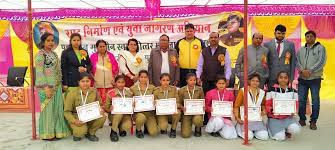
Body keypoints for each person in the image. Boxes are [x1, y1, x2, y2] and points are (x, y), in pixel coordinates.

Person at [35, 32, 71, 140]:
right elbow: (39, 72)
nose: (51, 42)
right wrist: (46, 87)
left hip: (56, 86)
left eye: (52, 40)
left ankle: (57, 132)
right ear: (43, 42)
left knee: (57, 110)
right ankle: (47, 134)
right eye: (48, 40)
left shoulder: (54, 54)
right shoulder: (40, 55)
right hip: (46, 87)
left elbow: (58, 70)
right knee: (48, 111)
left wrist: (61, 83)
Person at [297, 31, 327, 130]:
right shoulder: (301, 49)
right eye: (307, 36)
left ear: (315, 38)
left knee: (315, 100)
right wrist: (302, 70)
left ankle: (313, 121)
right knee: (301, 100)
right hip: (302, 79)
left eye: (311, 36)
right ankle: (302, 119)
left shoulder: (320, 48)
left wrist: (310, 71)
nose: (309, 38)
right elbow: (297, 61)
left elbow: (321, 61)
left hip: (315, 79)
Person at [64, 72, 106, 142]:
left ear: (90, 82)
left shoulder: (94, 91)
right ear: (78, 82)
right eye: (82, 81)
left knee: (102, 117)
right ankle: (77, 133)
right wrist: (74, 121)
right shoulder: (72, 94)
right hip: (77, 117)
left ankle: (91, 133)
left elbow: (100, 104)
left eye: (87, 81)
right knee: (80, 131)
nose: (85, 83)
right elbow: (67, 112)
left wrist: (101, 109)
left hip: (91, 114)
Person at [266, 71, 301, 141]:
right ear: (277, 79)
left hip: (287, 118)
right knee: (280, 137)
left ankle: (287, 130)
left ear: (288, 79)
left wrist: (294, 111)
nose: (283, 80)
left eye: (285, 78)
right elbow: (267, 105)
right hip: (275, 118)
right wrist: (273, 110)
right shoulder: (271, 90)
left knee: (296, 129)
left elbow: (296, 106)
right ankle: (271, 128)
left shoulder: (293, 91)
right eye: (281, 77)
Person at [233, 73, 269, 141]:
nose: (255, 82)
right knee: (248, 137)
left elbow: (263, 105)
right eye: (253, 80)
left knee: (264, 136)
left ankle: (254, 131)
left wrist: (264, 110)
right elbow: (236, 106)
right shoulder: (243, 91)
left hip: (256, 119)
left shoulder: (262, 92)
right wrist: (237, 118)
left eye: (257, 81)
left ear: (259, 82)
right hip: (244, 120)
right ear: (249, 81)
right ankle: (241, 129)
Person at [130, 70, 159, 138]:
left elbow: (156, 98)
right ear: (139, 78)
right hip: (138, 114)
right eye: (141, 77)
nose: (143, 79)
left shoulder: (152, 88)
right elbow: (129, 101)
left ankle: (147, 126)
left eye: (145, 77)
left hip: (149, 113)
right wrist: (132, 103)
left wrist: (155, 101)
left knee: (153, 133)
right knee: (141, 118)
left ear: (148, 78)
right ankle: (138, 129)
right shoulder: (132, 88)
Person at [105, 75, 133, 142]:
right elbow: (106, 108)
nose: (121, 84)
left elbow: (132, 104)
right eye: (118, 82)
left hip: (126, 115)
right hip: (114, 115)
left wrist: (133, 104)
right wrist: (110, 109)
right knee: (119, 114)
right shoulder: (110, 93)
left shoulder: (129, 92)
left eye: (122, 82)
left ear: (125, 83)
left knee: (128, 125)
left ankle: (121, 128)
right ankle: (113, 132)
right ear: (115, 83)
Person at [90, 39, 119, 105]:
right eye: (100, 46)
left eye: (104, 46)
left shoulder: (111, 56)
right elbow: (90, 71)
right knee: (99, 104)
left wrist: (114, 79)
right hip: (98, 85)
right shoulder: (93, 57)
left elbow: (116, 68)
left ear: (106, 47)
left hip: (110, 85)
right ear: (97, 47)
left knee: (110, 104)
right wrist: (93, 80)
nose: (102, 48)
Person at [153, 73, 181, 138]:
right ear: (160, 81)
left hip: (171, 112)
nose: (165, 82)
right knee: (163, 127)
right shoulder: (156, 91)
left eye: (167, 80)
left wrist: (174, 106)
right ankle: (163, 125)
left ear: (170, 81)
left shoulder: (174, 89)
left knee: (178, 112)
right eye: (163, 80)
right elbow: (154, 103)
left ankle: (173, 129)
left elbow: (177, 102)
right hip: (161, 113)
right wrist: (155, 103)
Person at [178, 73, 204, 138]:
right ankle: (188, 125)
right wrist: (182, 107)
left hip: (197, 113)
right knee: (185, 135)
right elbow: (178, 103)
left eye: (194, 80)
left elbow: (202, 101)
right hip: (186, 113)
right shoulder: (182, 90)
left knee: (198, 119)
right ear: (187, 80)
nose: (193, 82)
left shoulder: (200, 89)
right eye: (191, 80)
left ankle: (198, 128)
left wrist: (203, 107)